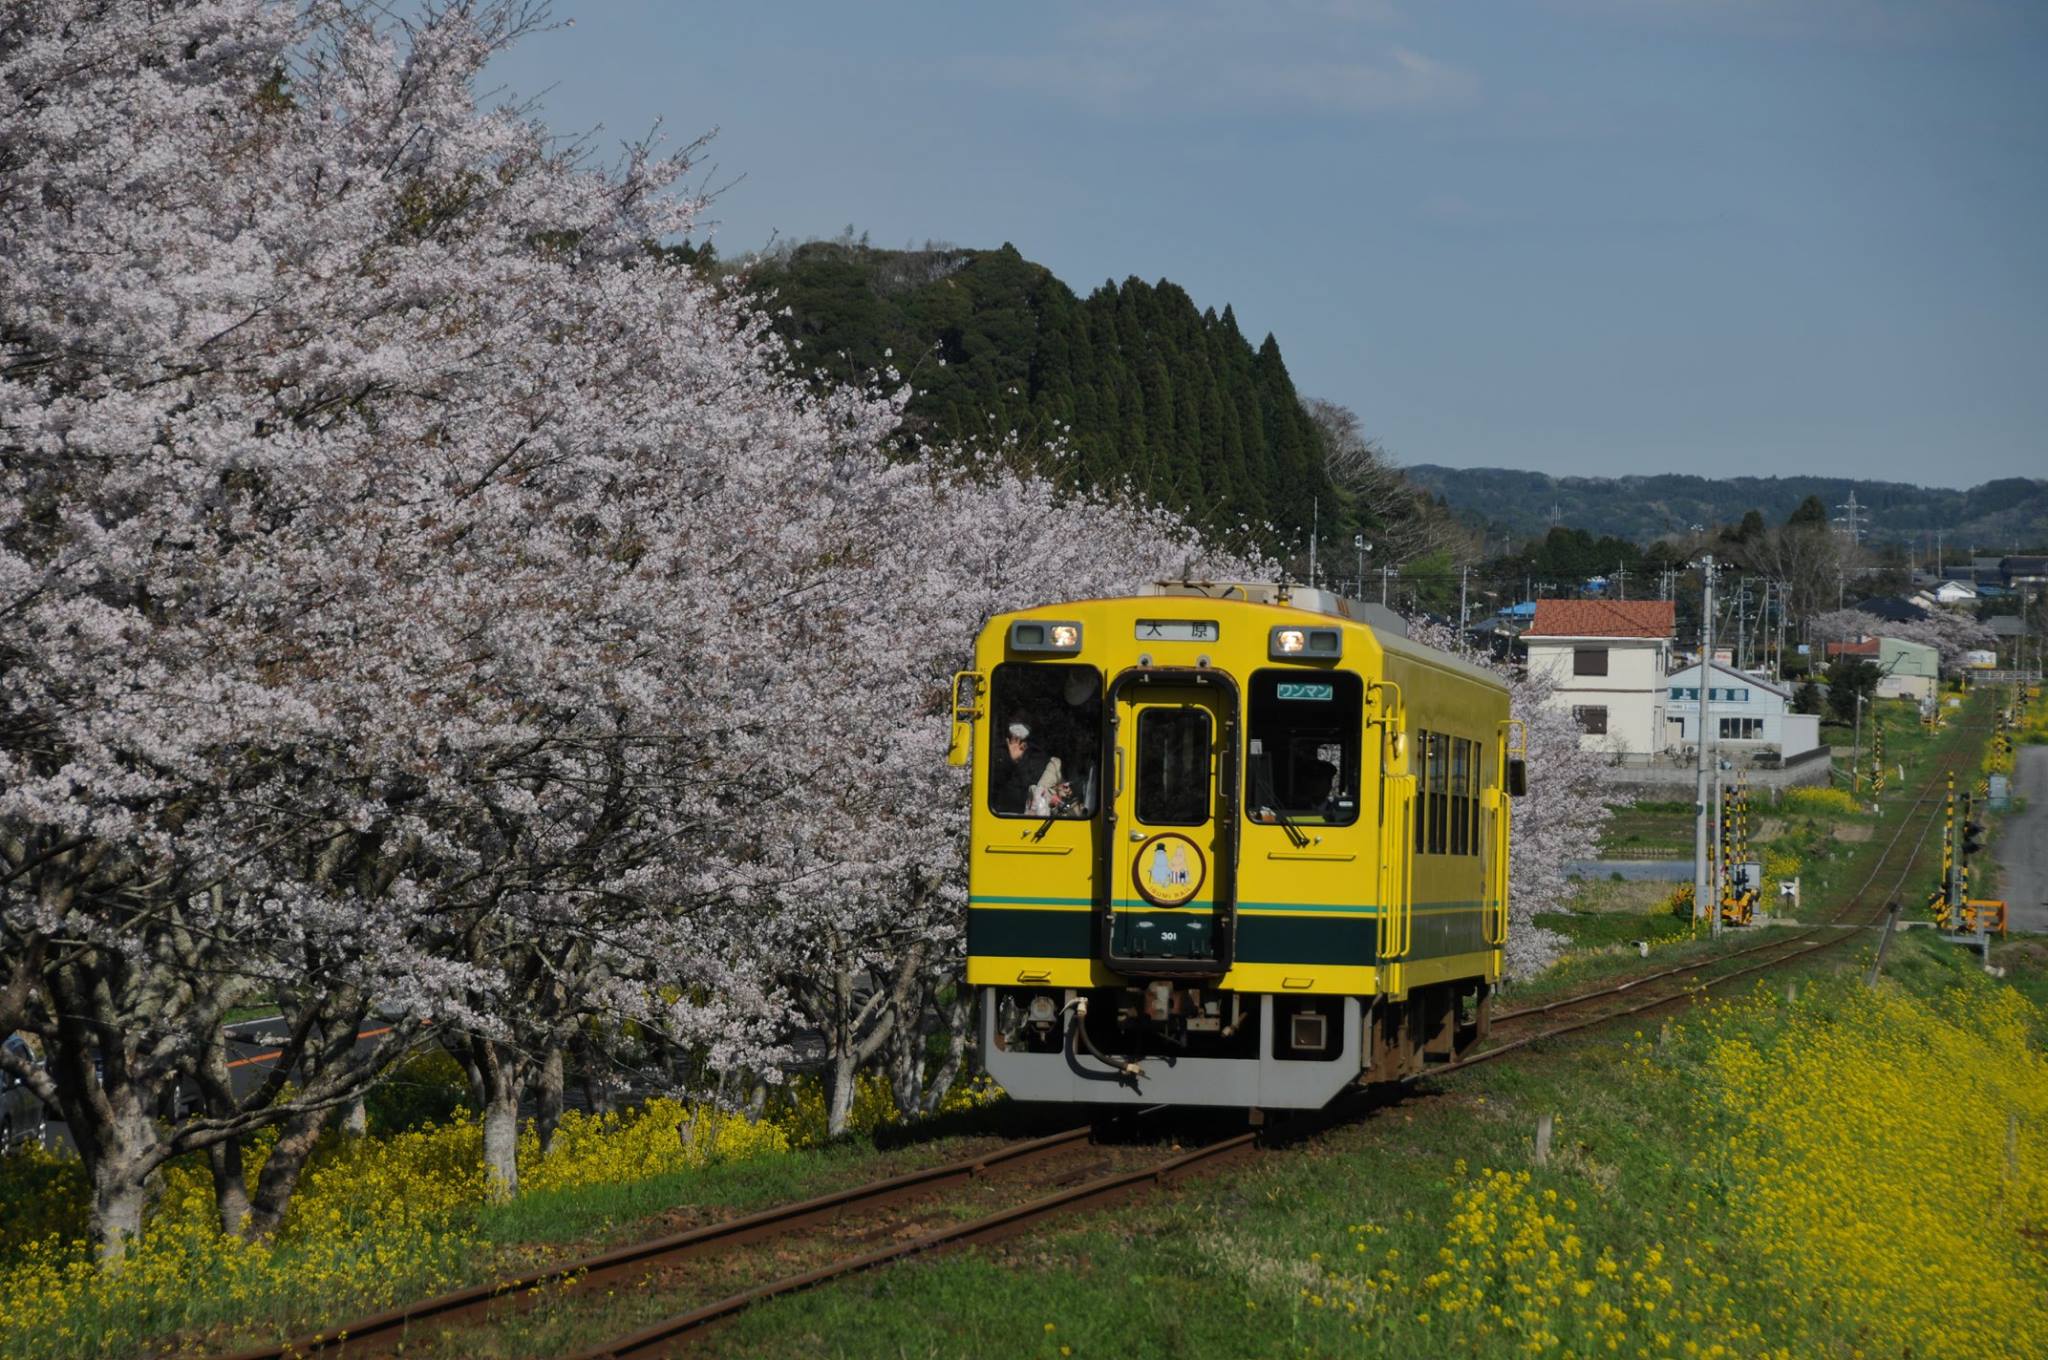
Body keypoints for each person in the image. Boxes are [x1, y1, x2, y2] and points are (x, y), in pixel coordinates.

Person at [992, 720, 1066, 815]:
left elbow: (1035, 786)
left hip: (1031, 815)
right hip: (1001, 813)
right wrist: (1010, 760)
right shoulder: (996, 751)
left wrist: (1018, 762)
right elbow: (993, 783)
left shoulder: (1039, 755)